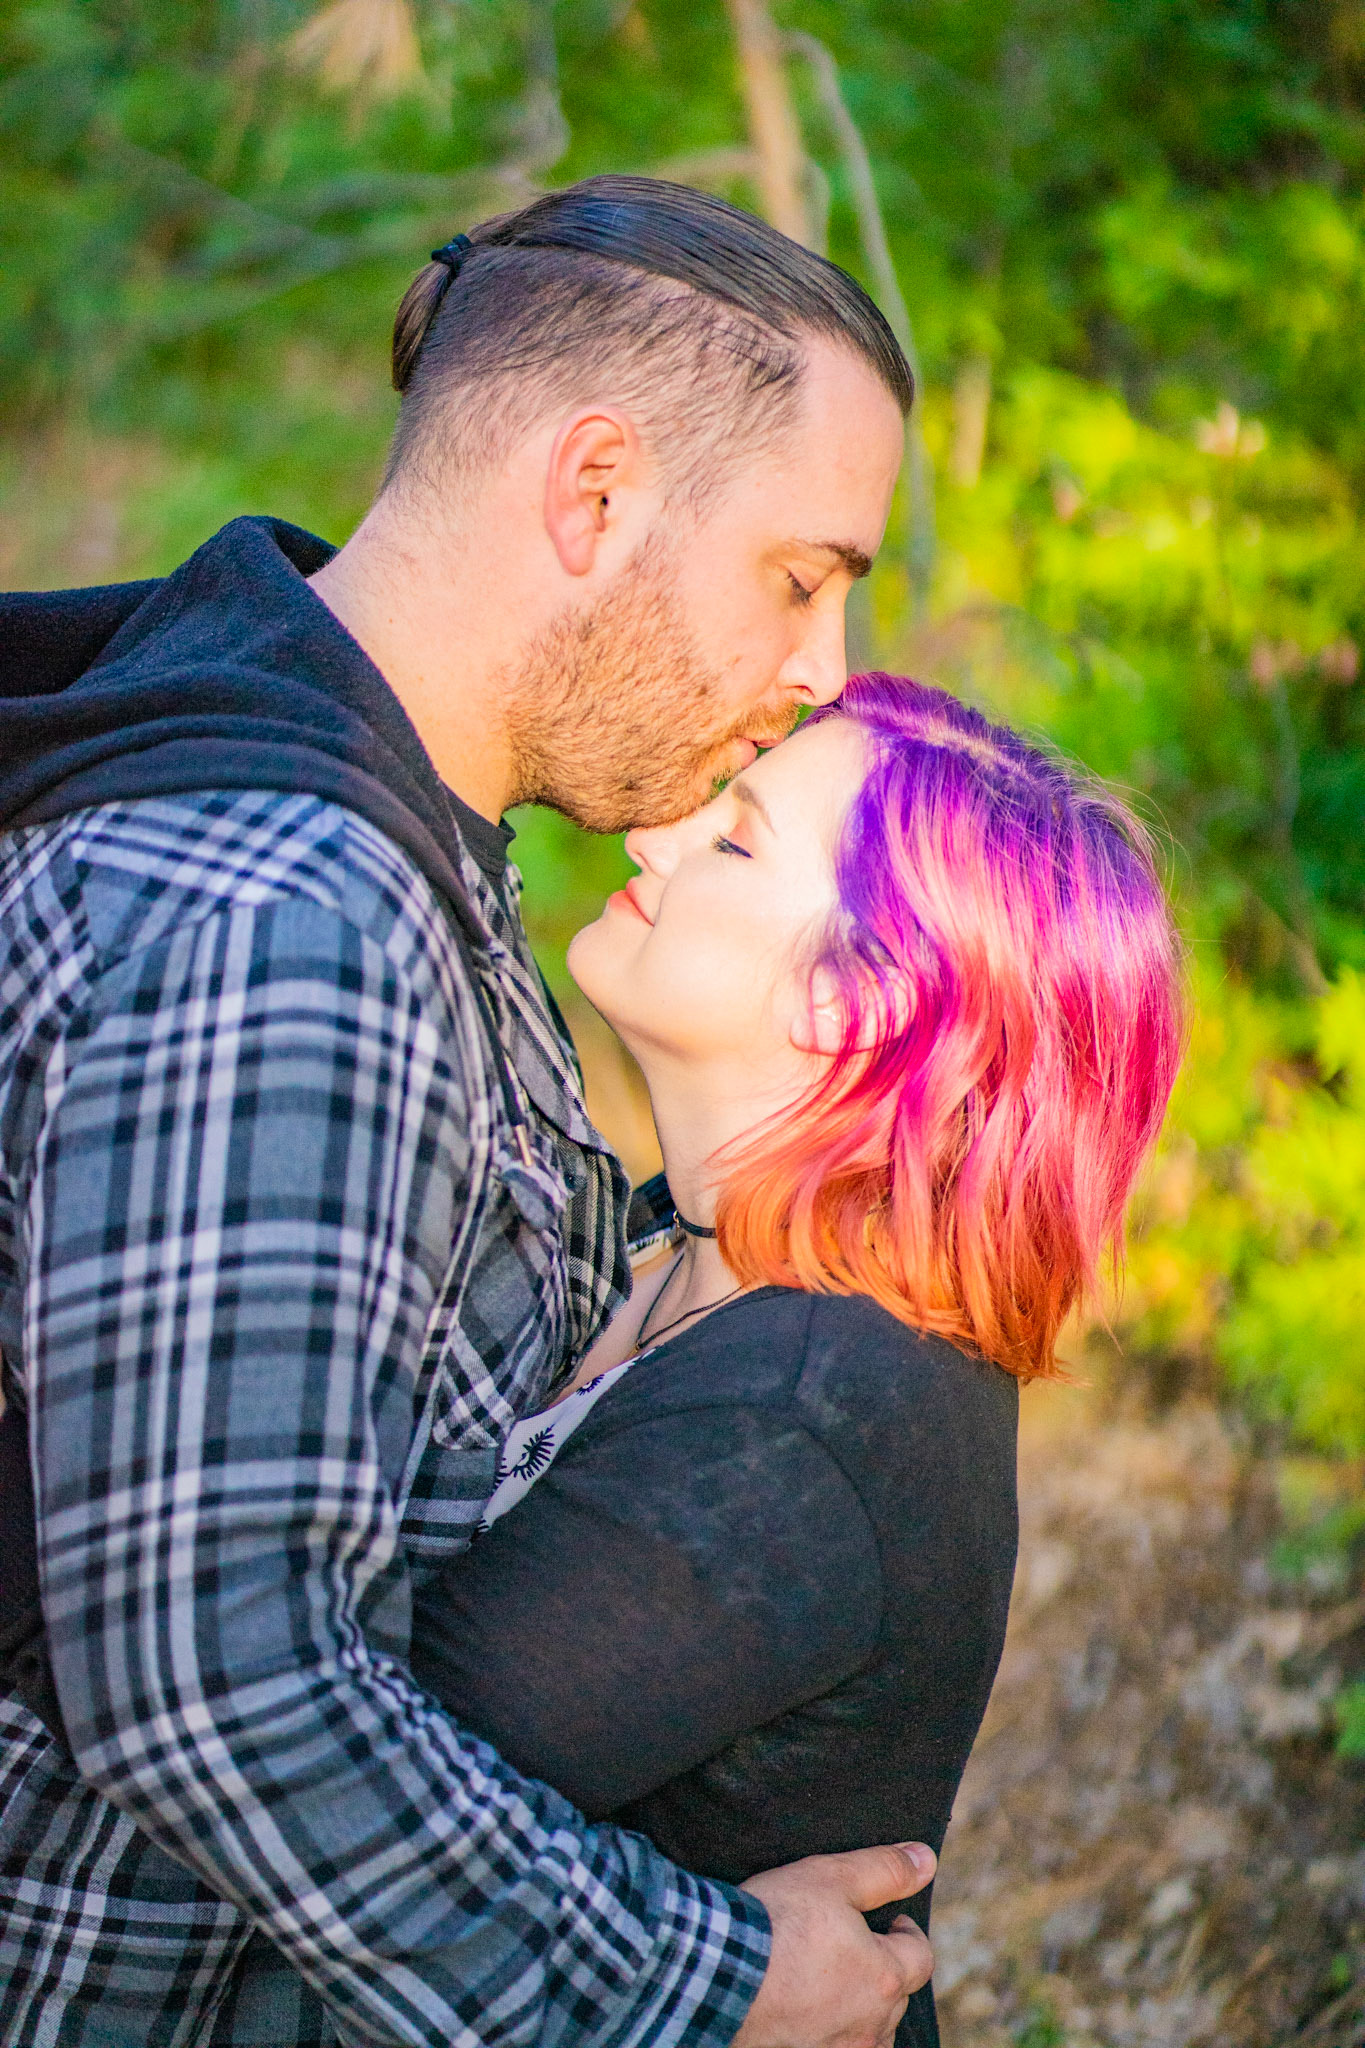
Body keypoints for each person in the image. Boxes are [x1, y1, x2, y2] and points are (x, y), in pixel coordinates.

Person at [0, 179, 932, 2048]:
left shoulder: (382, 804)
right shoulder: (291, 916)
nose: (823, 671)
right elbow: (214, 1683)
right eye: (799, 576)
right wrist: (703, 1983)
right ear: (594, 491)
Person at [407, 675, 1187, 2048]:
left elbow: (342, 1782)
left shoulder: (804, 1418)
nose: (653, 834)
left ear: (854, 1002)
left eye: (734, 838)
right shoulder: (675, 1243)